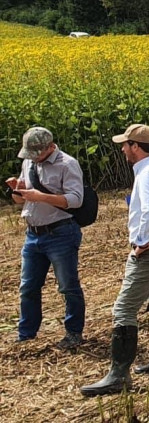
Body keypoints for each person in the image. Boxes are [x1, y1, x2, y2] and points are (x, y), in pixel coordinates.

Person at [81, 125, 149, 396]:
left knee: (124, 309)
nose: (122, 149)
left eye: (125, 144)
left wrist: (142, 243)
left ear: (136, 147)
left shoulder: (148, 174)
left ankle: (119, 376)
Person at [9, 127, 85, 350]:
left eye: (37, 153)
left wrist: (41, 197)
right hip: (33, 234)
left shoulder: (67, 164)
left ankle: (73, 333)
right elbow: (21, 201)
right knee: (28, 287)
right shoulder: (29, 163)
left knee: (68, 286)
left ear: (50, 147)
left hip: (60, 233)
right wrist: (18, 190)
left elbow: (76, 199)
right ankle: (26, 334)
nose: (32, 158)